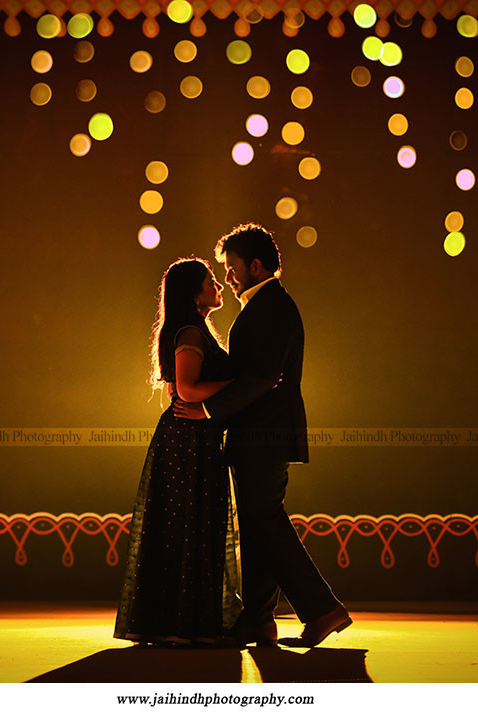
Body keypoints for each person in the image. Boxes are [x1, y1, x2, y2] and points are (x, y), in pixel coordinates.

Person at [173, 223, 351, 648]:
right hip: (259, 432)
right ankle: (258, 620)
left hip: (263, 433)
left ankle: (322, 609)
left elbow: (261, 378)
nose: (228, 277)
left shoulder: (271, 307)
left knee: (265, 520)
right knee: (258, 524)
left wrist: (206, 409)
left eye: (232, 268)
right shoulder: (267, 305)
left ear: (255, 266)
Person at [113, 257, 243, 646]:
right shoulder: (190, 331)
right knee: (188, 526)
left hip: (191, 437)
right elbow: (187, 390)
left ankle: (178, 622)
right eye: (210, 280)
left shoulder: (194, 328)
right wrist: (240, 384)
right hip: (187, 439)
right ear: (193, 292)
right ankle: (184, 624)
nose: (217, 285)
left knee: (183, 528)